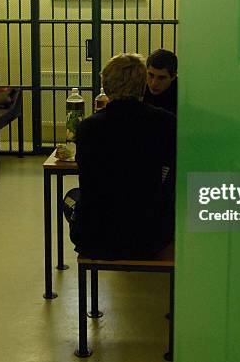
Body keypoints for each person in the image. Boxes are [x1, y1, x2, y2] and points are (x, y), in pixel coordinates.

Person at [67, 53, 176, 260]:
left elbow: (87, 179)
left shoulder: (88, 128)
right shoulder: (165, 123)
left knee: (72, 197)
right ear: (142, 85)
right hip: (149, 236)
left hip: (95, 237)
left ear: (106, 86)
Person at [143, 49, 178, 115]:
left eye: (161, 78)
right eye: (151, 75)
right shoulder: (138, 87)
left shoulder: (181, 98)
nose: (154, 83)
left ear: (173, 77)